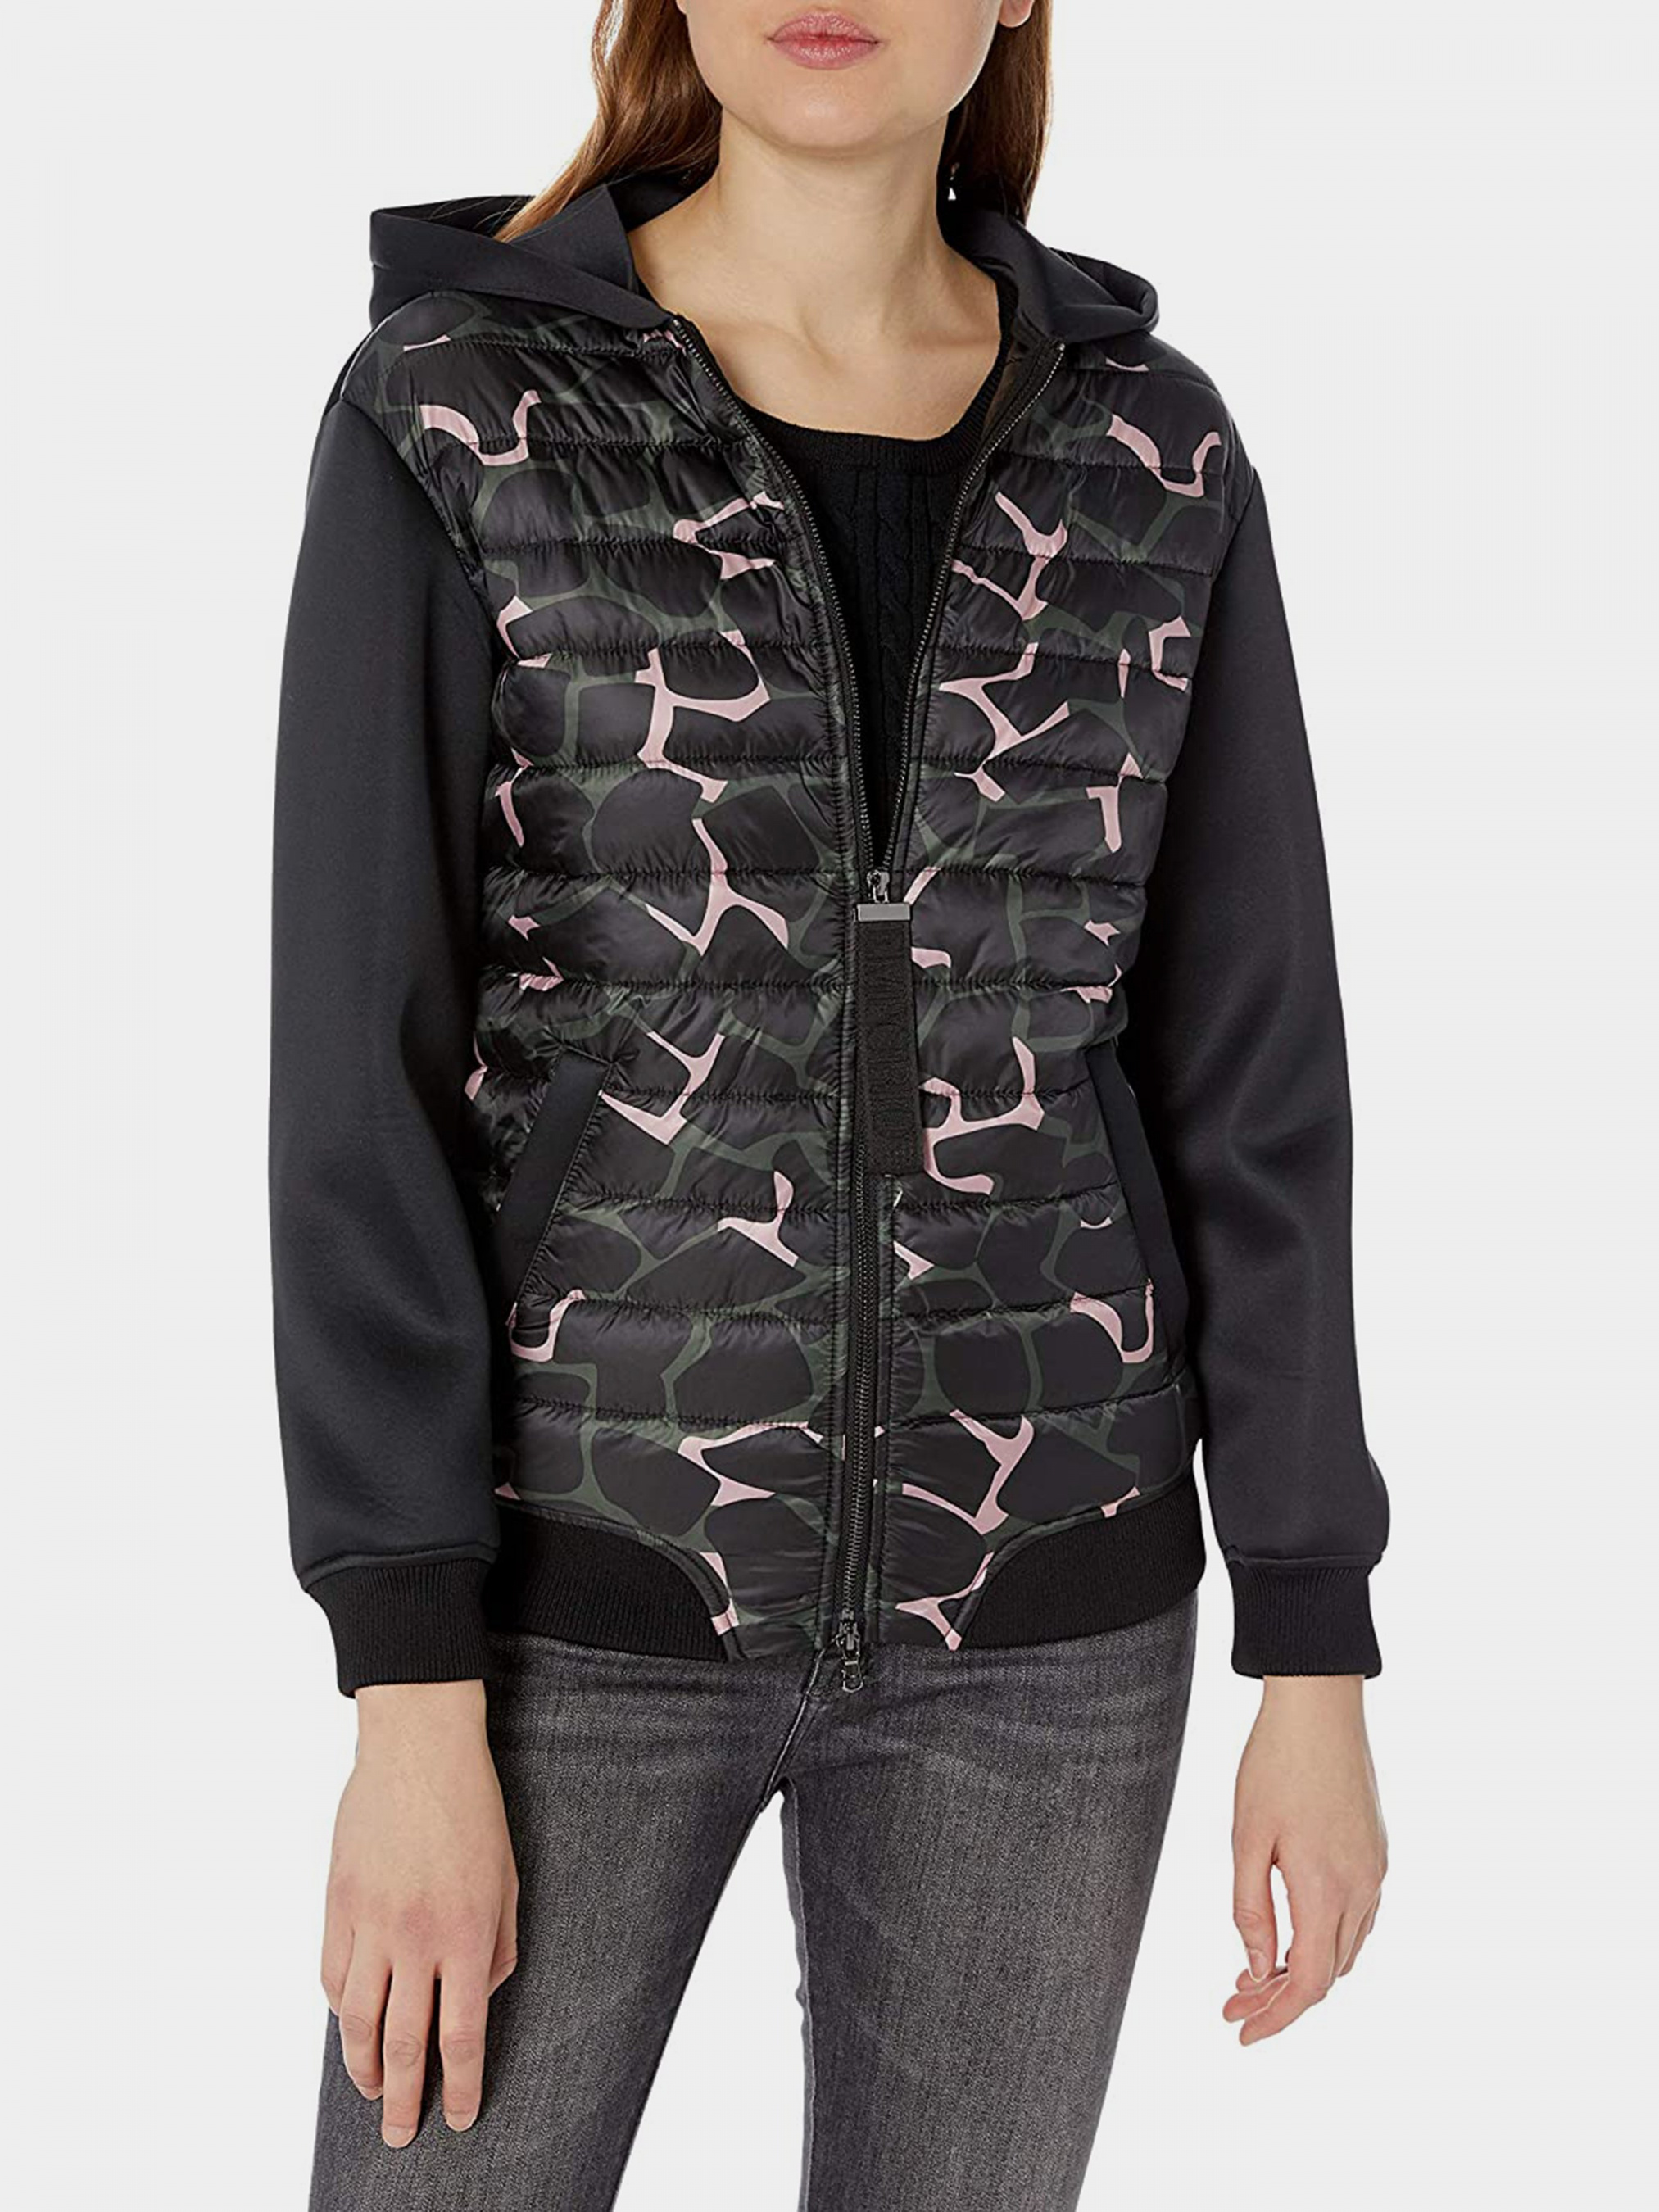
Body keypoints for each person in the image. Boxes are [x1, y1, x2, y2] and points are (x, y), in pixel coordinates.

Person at [271, 3, 1389, 2205]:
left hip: (1050, 1613)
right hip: (566, 1602)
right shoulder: (462, 410)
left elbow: (1254, 1075)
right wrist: (406, 1683)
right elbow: (355, 1073)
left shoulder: (1150, 455)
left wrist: (1312, 1635)